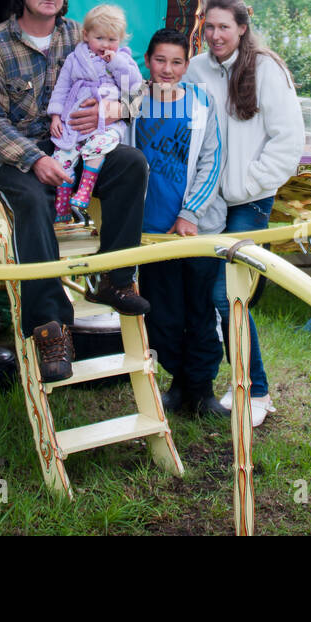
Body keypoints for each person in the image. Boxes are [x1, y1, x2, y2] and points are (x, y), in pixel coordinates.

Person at [0, 0, 150, 384]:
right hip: (19, 157)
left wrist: (114, 112)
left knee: (131, 163)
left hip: (80, 146)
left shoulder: (85, 35)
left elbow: (141, 91)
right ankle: (51, 327)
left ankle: (115, 277)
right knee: (31, 202)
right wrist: (35, 159)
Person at [186, 0, 304, 427]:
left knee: (226, 291)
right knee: (200, 291)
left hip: (248, 200)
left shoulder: (265, 69)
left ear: (241, 28)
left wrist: (247, 183)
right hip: (202, 201)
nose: (215, 35)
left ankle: (256, 390)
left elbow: (287, 141)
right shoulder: (195, 69)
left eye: (224, 27)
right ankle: (197, 383)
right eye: (209, 26)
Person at [130, 27, 228, 418]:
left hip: (196, 229)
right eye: (160, 60)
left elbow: (213, 159)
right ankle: (177, 383)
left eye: (176, 62)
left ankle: (202, 390)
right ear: (147, 62)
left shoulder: (201, 101)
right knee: (163, 312)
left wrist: (191, 213)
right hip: (152, 231)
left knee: (201, 310)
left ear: (187, 65)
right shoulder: (133, 101)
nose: (167, 69)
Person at [47, 4, 143, 221]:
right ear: (86, 35)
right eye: (100, 38)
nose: (105, 45)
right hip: (73, 119)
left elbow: (135, 87)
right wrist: (55, 116)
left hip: (106, 124)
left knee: (97, 148)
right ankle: (61, 205)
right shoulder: (75, 58)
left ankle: (84, 191)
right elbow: (61, 88)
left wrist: (116, 63)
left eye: (112, 40)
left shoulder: (123, 61)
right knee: (62, 155)